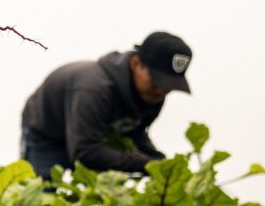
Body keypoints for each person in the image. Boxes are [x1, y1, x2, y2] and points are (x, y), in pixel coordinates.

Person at [20, 31, 193, 177]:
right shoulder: (93, 89)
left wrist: (161, 163)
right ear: (136, 64)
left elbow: (136, 134)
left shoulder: (152, 95)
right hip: (47, 136)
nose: (161, 92)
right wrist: (147, 165)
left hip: (91, 137)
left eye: (168, 87)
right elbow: (84, 152)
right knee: (43, 200)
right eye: (156, 82)